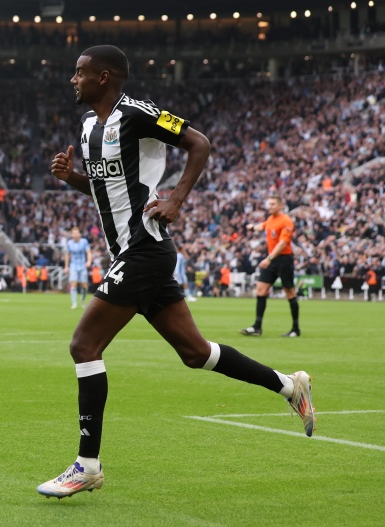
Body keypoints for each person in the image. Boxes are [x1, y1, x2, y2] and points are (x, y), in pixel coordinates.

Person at [37, 45, 315, 499]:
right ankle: (290, 386)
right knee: (195, 352)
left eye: (80, 72)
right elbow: (108, 190)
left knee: (84, 345)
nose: (73, 79)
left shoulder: (138, 113)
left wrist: (176, 199)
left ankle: (87, 466)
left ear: (104, 77)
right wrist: (73, 179)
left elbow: (198, 143)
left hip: (144, 249)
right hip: (131, 252)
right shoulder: (88, 127)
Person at [240, 196, 301, 337]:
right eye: (269, 204)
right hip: (272, 260)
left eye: (273, 204)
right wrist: (251, 227)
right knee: (261, 290)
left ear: (280, 206)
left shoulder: (286, 221)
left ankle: (295, 329)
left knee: (289, 292)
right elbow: (262, 226)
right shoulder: (270, 219)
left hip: (284, 259)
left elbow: (283, 243)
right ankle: (257, 327)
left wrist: (269, 258)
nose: (270, 206)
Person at [65, 226, 92, 309]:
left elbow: (88, 252)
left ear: (80, 234)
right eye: (74, 233)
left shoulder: (84, 242)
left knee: (84, 285)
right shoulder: (69, 243)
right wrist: (66, 266)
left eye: (77, 233)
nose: (75, 235)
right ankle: (74, 303)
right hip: (73, 265)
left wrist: (89, 261)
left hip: (82, 265)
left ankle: (82, 300)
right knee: (74, 284)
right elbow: (67, 255)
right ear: (72, 234)